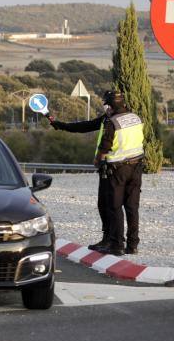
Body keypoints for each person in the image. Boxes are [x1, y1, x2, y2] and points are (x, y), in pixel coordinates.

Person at [50, 90, 144, 255]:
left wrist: (97, 161)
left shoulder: (111, 122)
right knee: (131, 207)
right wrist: (62, 125)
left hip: (116, 169)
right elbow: (87, 125)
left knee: (112, 206)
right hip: (136, 168)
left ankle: (116, 245)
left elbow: (105, 146)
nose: (105, 108)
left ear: (110, 105)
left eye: (106, 105)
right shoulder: (134, 118)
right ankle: (132, 245)